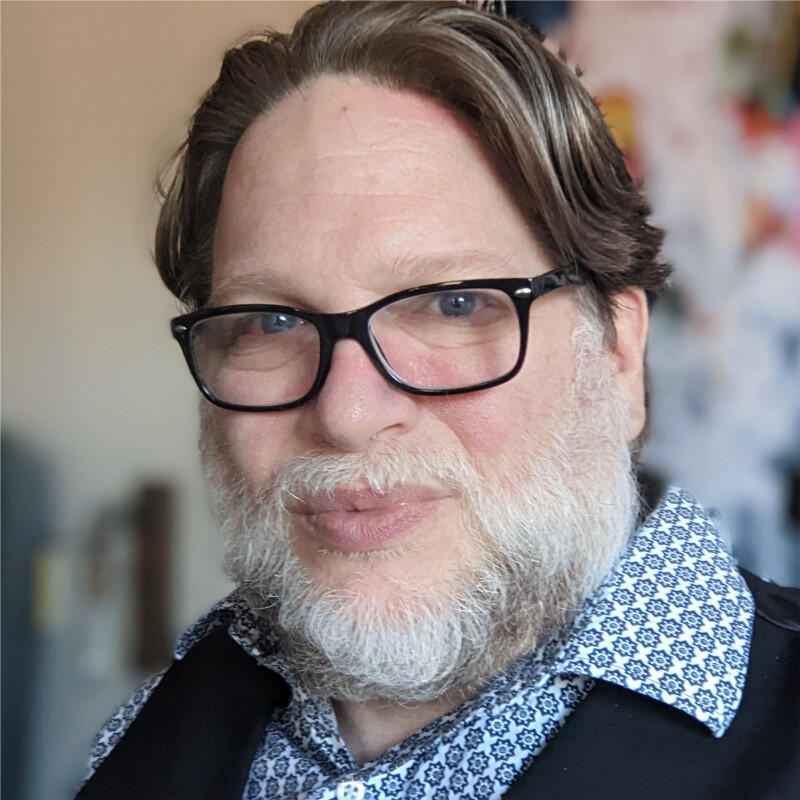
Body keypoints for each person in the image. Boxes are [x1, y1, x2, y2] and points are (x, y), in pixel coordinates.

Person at [77, 3, 799, 798]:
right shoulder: (149, 727)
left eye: (454, 305)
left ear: (620, 352)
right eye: (272, 322)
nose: (347, 415)